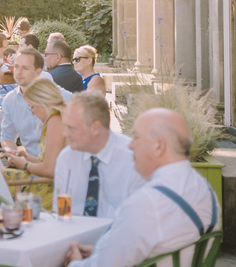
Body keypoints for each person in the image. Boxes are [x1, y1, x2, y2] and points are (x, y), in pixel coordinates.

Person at [65, 109, 219, 267]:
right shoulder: (204, 188)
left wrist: (75, 262)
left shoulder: (148, 203)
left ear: (159, 146)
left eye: (136, 137)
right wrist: (101, 251)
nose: (130, 145)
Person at [55, 93, 143, 219]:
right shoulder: (66, 158)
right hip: (72, 234)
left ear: (95, 128)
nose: (65, 133)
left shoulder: (132, 158)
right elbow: (60, 213)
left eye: (71, 128)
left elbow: (138, 220)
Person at [0, 77, 68, 206]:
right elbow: (52, 163)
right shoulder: (63, 113)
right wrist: (27, 157)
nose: (32, 113)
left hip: (55, 191)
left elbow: (50, 169)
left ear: (41, 101)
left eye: (31, 107)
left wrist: (25, 165)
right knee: (0, 176)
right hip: (57, 183)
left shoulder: (56, 118)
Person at [0, 47, 71, 157]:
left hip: (59, 165)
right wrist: (12, 153)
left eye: (25, 68)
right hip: (29, 163)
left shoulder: (57, 95)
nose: (18, 72)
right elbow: (7, 137)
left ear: (38, 72)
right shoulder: (9, 100)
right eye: (16, 67)